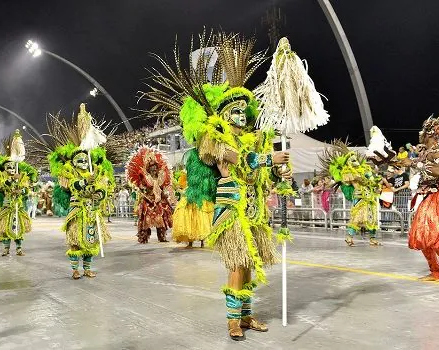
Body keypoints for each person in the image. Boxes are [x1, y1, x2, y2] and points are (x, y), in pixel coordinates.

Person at [141, 31, 291, 340]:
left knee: (249, 264)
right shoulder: (215, 139)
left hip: (253, 209)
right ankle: (233, 321)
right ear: (223, 114)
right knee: (237, 264)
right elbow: (239, 162)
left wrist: (280, 174)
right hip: (231, 209)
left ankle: (247, 317)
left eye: (242, 111)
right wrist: (269, 161)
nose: (239, 115)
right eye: (233, 111)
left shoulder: (253, 139)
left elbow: (260, 172)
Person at [32, 104, 113, 278]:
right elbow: (72, 185)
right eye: (80, 160)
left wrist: (99, 192)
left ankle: (88, 268)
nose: (84, 162)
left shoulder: (96, 171)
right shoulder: (68, 172)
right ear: (74, 161)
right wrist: (85, 181)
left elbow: (103, 188)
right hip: (77, 211)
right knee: (76, 241)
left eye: (85, 159)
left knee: (90, 241)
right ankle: (76, 270)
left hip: (92, 211)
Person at [400, 112, 439, 281]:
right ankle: (435, 272)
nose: (419, 134)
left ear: (430, 134)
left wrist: (415, 164)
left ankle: (437, 272)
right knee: (423, 235)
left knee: (435, 238)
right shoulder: (427, 151)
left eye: (423, 131)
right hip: (430, 197)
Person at [320, 141, 382, 246]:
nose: (355, 161)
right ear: (348, 162)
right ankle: (349, 237)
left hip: (369, 197)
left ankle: (372, 238)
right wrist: (365, 178)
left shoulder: (365, 170)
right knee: (358, 218)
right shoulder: (348, 173)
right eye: (352, 160)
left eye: (355, 159)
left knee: (372, 218)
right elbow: (356, 182)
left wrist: (375, 183)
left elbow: (372, 182)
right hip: (359, 198)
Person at [0, 130, 37, 256]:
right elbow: (0, 186)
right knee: (5, 228)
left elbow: (26, 190)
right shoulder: (0, 177)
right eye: (8, 167)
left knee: (19, 228)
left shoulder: (22, 176)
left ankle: (19, 249)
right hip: (6, 207)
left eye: (13, 167)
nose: (11, 169)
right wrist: (11, 182)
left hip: (18, 206)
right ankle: (6, 249)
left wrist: (20, 188)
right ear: (4, 168)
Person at [126, 147, 174, 243]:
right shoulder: (145, 178)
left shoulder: (161, 177)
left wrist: (166, 198)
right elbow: (141, 189)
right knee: (146, 221)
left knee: (161, 220)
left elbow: (162, 189)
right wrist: (147, 196)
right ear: (149, 170)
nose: (154, 170)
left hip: (159, 201)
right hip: (148, 201)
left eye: (155, 169)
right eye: (152, 169)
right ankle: (143, 237)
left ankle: (162, 237)